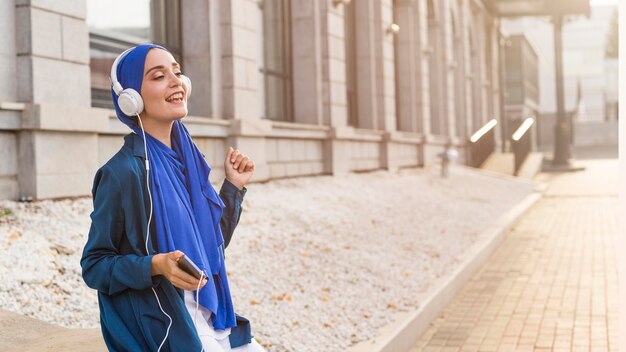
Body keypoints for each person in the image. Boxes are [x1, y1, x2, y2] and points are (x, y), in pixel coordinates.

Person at [80, 44, 265, 352]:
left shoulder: (188, 161)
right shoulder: (123, 173)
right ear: (131, 98)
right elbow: (95, 265)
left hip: (210, 314)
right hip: (166, 325)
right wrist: (155, 265)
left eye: (177, 72)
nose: (176, 81)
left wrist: (232, 187)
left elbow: (210, 244)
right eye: (158, 76)